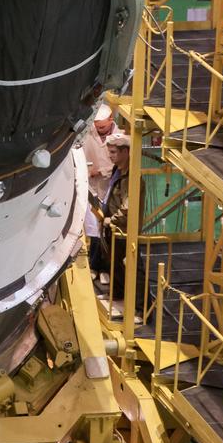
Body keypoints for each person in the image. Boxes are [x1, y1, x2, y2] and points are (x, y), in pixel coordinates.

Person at [100, 129, 144, 319]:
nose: (110, 156)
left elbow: (129, 205)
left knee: (133, 269)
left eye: (114, 152)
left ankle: (140, 308)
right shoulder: (119, 171)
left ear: (126, 152)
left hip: (125, 229)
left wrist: (113, 219)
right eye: (109, 152)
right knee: (115, 263)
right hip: (114, 227)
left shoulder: (132, 176)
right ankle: (117, 295)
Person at [83, 106, 115, 279]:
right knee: (94, 230)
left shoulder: (121, 138)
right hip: (90, 187)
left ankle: (105, 269)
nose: (98, 129)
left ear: (111, 120)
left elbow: (121, 163)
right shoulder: (87, 133)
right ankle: (95, 266)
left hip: (109, 188)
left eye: (102, 127)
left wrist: (101, 171)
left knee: (107, 230)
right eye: (96, 126)